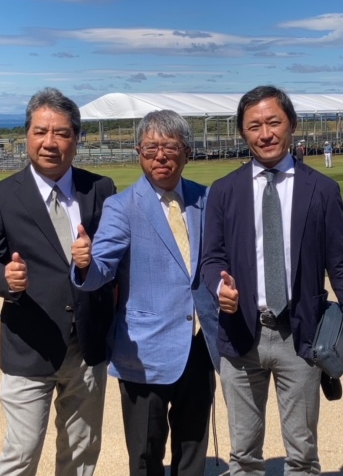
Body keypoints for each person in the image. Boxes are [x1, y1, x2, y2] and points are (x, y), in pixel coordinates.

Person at [201, 85, 343, 475]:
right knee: (243, 455)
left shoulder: (322, 190)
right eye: (254, 126)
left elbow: (341, 264)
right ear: (243, 132)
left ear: (291, 124)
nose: (265, 134)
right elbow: (211, 258)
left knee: (302, 455)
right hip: (241, 335)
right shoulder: (224, 191)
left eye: (274, 122)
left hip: (300, 335)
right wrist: (220, 288)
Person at [0, 87, 116, 476]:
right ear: (27, 135)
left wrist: (93, 262)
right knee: (21, 454)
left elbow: (116, 259)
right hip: (29, 344)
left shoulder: (100, 189)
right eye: (40, 131)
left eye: (61, 133)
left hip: (86, 346)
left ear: (76, 138)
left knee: (81, 451)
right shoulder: (0, 196)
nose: (49, 142)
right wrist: (6, 279)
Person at [70, 110, 220, 476]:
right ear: (139, 153)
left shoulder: (206, 199)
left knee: (193, 451)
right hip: (144, 350)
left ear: (187, 152)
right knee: (145, 455)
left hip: (199, 345)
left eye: (171, 147)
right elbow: (102, 269)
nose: (160, 156)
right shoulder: (122, 206)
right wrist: (85, 264)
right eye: (151, 148)